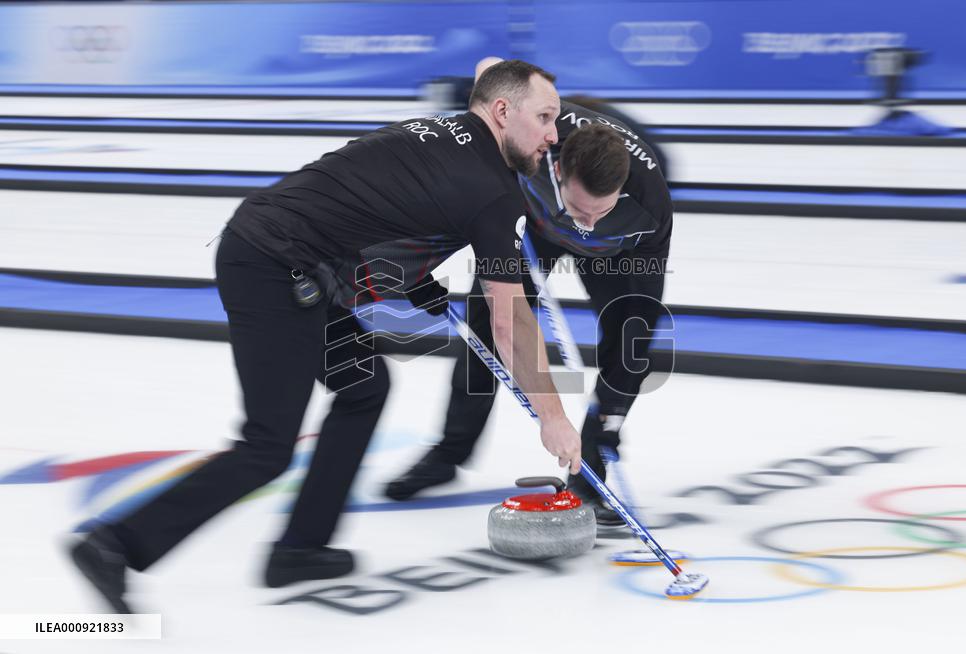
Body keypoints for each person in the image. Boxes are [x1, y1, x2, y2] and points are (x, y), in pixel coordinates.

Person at [69, 60, 582, 613]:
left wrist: (415, 280)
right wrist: (553, 417)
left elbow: (384, 204)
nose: (553, 135)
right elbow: (510, 321)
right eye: (544, 118)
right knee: (267, 446)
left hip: (280, 254)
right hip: (275, 268)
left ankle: (300, 548)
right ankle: (114, 545)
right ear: (501, 112)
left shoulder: (445, 129)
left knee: (364, 388)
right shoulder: (494, 192)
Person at [385, 59, 673, 525]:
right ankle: (449, 452)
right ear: (557, 167)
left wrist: (609, 424)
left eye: (599, 210)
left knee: (630, 342)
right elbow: (491, 70)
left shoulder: (649, 207)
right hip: (535, 225)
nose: (586, 222)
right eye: (579, 208)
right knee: (488, 324)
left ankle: (591, 467)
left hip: (613, 250)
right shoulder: (534, 129)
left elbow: (640, 322)